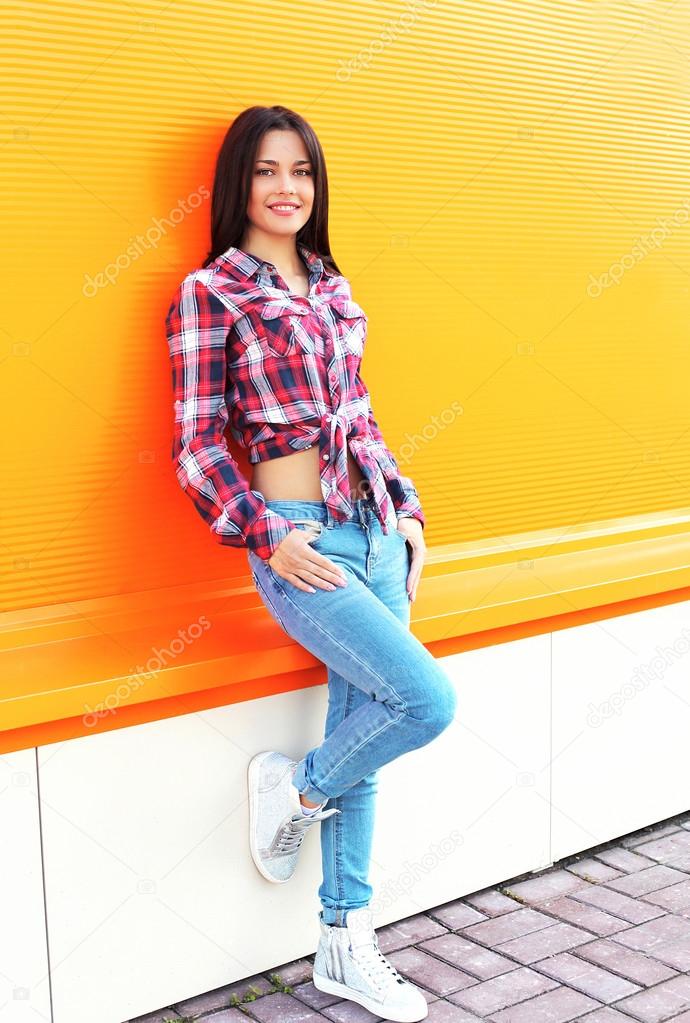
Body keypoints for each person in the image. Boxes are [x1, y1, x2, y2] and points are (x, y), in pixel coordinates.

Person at [165, 104, 457, 1023]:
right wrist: (264, 533)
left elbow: (361, 417)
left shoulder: (332, 284)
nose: (287, 188)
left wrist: (406, 509)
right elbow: (195, 442)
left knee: (367, 730)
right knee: (424, 702)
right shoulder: (210, 292)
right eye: (265, 171)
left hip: (372, 526)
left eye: (300, 171)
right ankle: (292, 786)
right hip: (301, 537)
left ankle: (344, 943)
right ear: (237, 186)